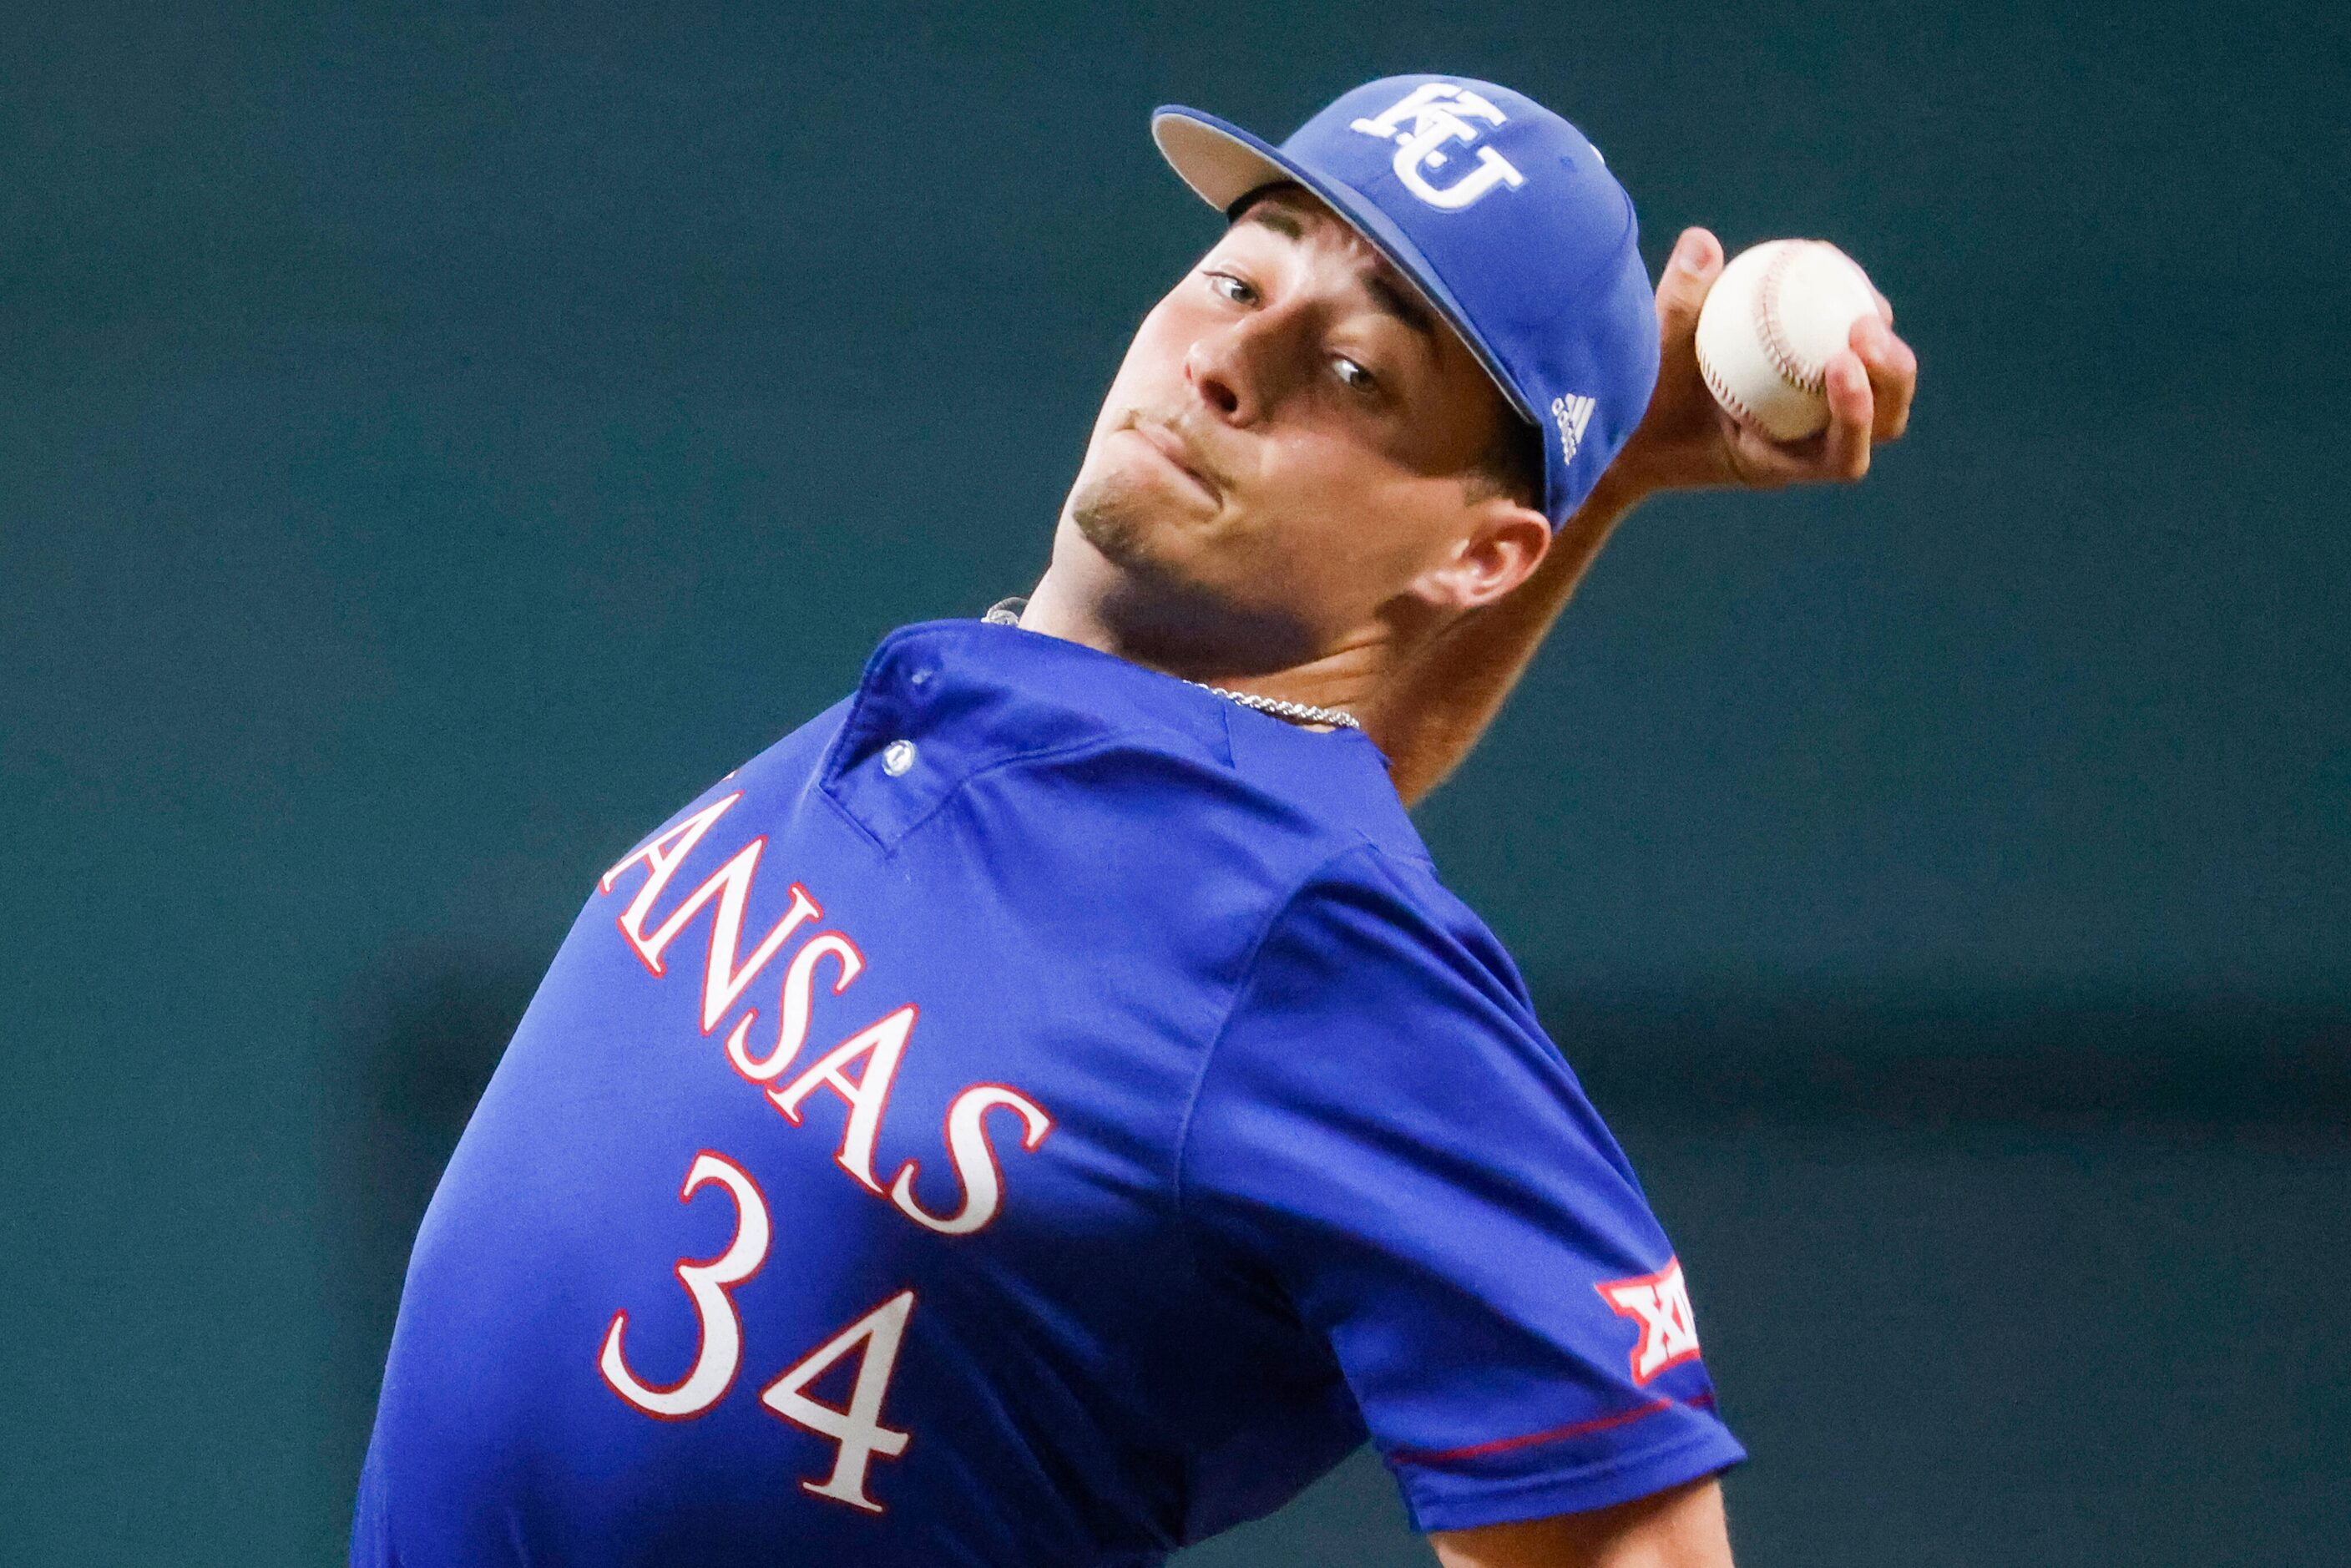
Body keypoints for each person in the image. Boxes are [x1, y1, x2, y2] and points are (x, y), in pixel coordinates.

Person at [353, 74, 1916, 1568]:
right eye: (1242, 281)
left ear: (1483, 555)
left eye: (1360, 373)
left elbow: (1630, 1535)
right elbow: (1199, 892)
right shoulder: (1148, 813)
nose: (1233, 362)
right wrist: (1615, 467)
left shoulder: (1336, 963)